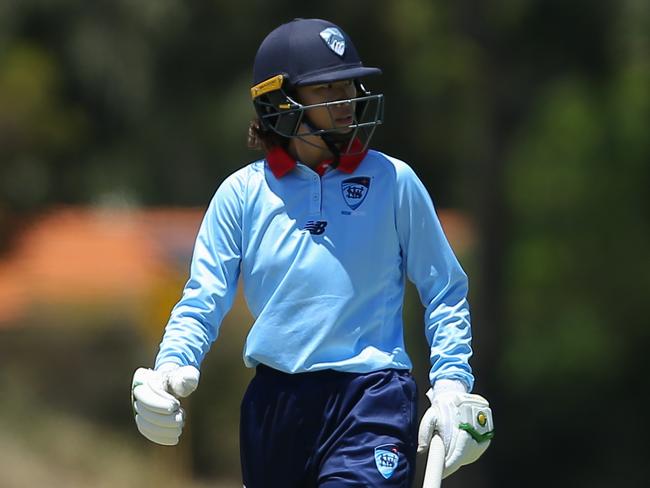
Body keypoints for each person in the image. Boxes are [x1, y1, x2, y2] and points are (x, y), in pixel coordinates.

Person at [131, 18, 494, 487]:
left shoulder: (394, 181)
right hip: (275, 406)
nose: (347, 100)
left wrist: (450, 382)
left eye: (349, 84)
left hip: (371, 397)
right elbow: (203, 298)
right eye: (327, 90)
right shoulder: (240, 195)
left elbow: (444, 290)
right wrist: (169, 368)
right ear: (281, 104)